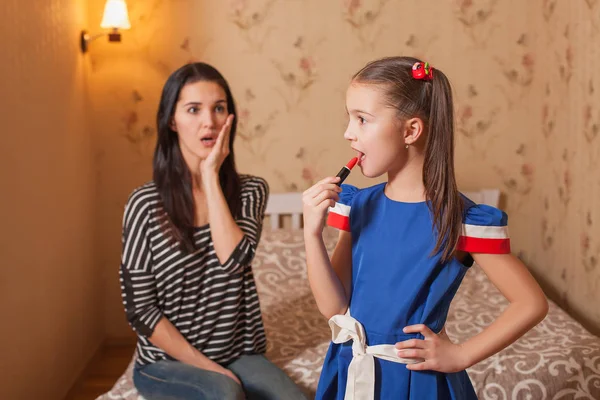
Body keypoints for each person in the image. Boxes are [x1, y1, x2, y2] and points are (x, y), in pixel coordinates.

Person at [302, 56, 549, 399]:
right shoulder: (357, 206)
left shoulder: (462, 220)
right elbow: (334, 308)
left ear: (411, 131)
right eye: (349, 118)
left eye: (362, 119)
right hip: (350, 366)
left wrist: (461, 354)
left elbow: (531, 303)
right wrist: (311, 235)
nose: (348, 133)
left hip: (417, 383)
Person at [120, 62, 307, 400]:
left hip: (238, 352)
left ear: (230, 118)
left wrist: (209, 177)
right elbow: (140, 309)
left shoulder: (251, 190)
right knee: (224, 393)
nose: (209, 121)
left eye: (219, 108)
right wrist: (209, 369)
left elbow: (234, 260)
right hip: (164, 362)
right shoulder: (144, 203)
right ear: (172, 120)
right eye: (194, 109)